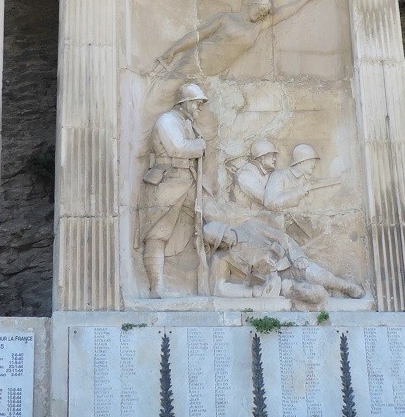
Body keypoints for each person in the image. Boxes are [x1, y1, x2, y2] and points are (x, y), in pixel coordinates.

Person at [140, 83, 208, 298]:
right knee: (157, 234)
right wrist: (200, 146)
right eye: (197, 104)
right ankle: (156, 287)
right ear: (185, 103)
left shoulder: (186, 122)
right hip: (168, 181)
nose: (199, 108)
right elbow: (177, 148)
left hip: (186, 181)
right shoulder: (168, 121)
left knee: (207, 223)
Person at [157, 0, 319, 76]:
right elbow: (199, 35)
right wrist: (174, 50)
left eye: (265, 13)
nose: (262, 14)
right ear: (250, 4)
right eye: (260, 9)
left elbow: (281, 14)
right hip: (200, 58)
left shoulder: (256, 27)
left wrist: (305, 0)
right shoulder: (226, 18)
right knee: (169, 87)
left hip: (216, 70)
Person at [203, 220, 365, 303]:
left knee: (320, 275)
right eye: (220, 243)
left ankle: (343, 286)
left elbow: (281, 236)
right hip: (273, 284)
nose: (225, 242)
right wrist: (252, 292)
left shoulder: (251, 227)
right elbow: (220, 288)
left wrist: (298, 256)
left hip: (287, 264)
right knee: (314, 294)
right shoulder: (222, 258)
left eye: (224, 237)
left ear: (227, 228)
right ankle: (325, 293)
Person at [233, 139, 279, 210]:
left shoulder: (269, 173)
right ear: (262, 157)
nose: (275, 159)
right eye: (272, 155)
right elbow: (265, 199)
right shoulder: (245, 174)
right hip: (246, 216)